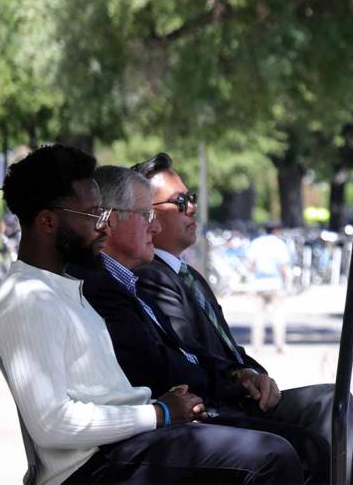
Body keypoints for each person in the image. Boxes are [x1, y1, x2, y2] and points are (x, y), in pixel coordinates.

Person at [0, 144, 304, 484]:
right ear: (48, 221)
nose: (103, 227)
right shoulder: (26, 297)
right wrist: (159, 413)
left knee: (294, 444)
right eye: (93, 216)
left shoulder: (64, 288)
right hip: (92, 468)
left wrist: (168, 407)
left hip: (125, 448)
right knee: (271, 457)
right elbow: (53, 425)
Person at [131, 152, 353, 483]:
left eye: (192, 198)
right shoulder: (151, 276)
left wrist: (254, 373)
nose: (192, 208)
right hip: (217, 407)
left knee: (331, 402)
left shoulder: (187, 274)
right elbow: (191, 355)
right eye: (180, 201)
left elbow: (228, 349)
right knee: (319, 424)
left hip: (238, 396)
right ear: (147, 216)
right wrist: (241, 378)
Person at [70, 165, 330, 482]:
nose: (152, 227)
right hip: (168, 423)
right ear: (109, 220)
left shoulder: (133, 281)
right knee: (297, 448)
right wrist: (232, 382)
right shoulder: (106, 284)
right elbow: (158, 366)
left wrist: (242, 372)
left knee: (330, 412)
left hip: (199, 407)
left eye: (190, 198)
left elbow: (189, 351)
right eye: (146, 214)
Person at [247, 223, 292, 353]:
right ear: (276, 230)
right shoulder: (279, 244)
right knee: (278, 315)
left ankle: (257, 345)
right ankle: (279, 344)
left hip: (258, 284)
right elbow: (284, 267)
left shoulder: (256, 243)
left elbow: (250, 266)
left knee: (258, 316)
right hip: (275, 283)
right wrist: (286, 283)